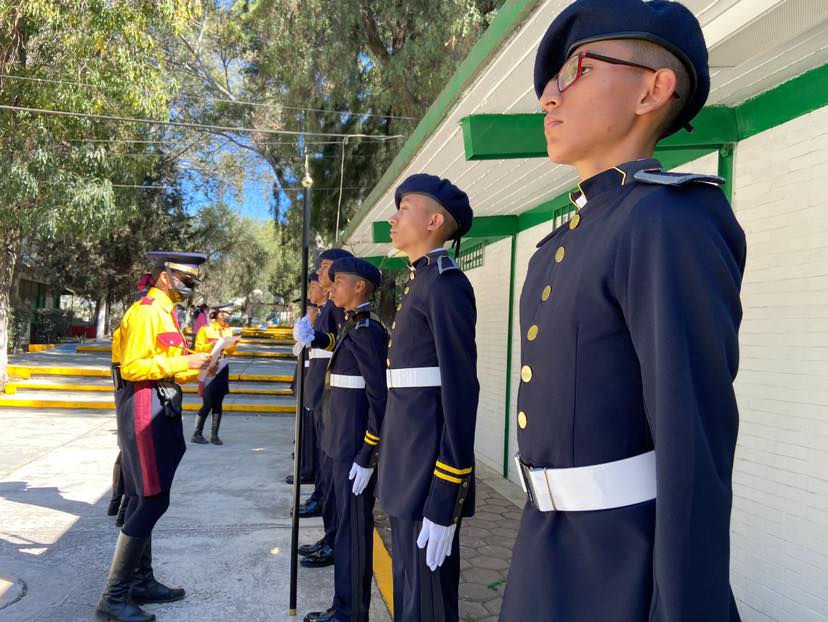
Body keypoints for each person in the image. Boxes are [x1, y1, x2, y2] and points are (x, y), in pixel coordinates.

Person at [499, 2, 746, 620]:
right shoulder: (562, 243)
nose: (548, 99)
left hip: (620, 570)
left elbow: (694, 448)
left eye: (574, 70)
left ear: (653, 90)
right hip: (546, 547)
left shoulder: (669, 222)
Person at [375, 174, 479, 622]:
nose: (393, 218)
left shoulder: (445, 285)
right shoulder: (420, 282)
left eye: (405, 208)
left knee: (428, 605)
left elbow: (461, 391)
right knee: (410, 599)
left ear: (435, 221)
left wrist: (447, 491)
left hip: (426, 473)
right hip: (406, 466)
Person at [96, 252, 212, 622]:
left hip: (161, 402)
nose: (189, 285)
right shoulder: (147, 311)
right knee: (150, 499)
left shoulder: (166, 313)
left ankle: (140, 581)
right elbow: (132, 367)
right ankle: (113, 598)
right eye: (184, 278)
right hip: (145, 405)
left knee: (145, 496)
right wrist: (184, 363)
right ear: (165, 276)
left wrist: (202, 363)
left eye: (192, 280)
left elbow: (167, 364)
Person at [304, 256, 388, 622]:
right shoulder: (354, 326)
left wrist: (367, 453)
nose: (331, 286)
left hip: (353, 450)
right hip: (339, 445)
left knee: (353, 536)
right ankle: (342, 606)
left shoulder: (369, 331)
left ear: (359, 288)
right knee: (345, 532)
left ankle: (351, 613)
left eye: (339, 282)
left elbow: (378, 398)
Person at [291, 247, 352, 570]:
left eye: (326, 267)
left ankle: (332, 540)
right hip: (321, 393)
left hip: (332, 396)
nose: (320, 273)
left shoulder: (338, 308)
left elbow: (335, 346)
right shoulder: (329, 305)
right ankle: (329, 537)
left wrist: (314, 335)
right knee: (328, 475)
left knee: (330, 475)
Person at [290, 273, 326, 487]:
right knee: (305, 429)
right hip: (306, 377)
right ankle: (305, 468)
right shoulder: (314, 318)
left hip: (316, 381)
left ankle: (308, 471)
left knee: (314, 434)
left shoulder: (324, 316)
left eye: (314, 286)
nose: (310, 292)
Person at [191, 303, 240, 445]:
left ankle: (215, 435)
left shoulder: (228, 331)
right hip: (209, 367)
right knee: (207, 402)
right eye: (226, 313)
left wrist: (234, 344)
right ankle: (197, 433)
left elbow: (230, 351)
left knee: (218, 402)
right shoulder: (205, 330)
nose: (228, 316)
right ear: (218, 314)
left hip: (223, 367)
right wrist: (212, 345)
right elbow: (198, 348)